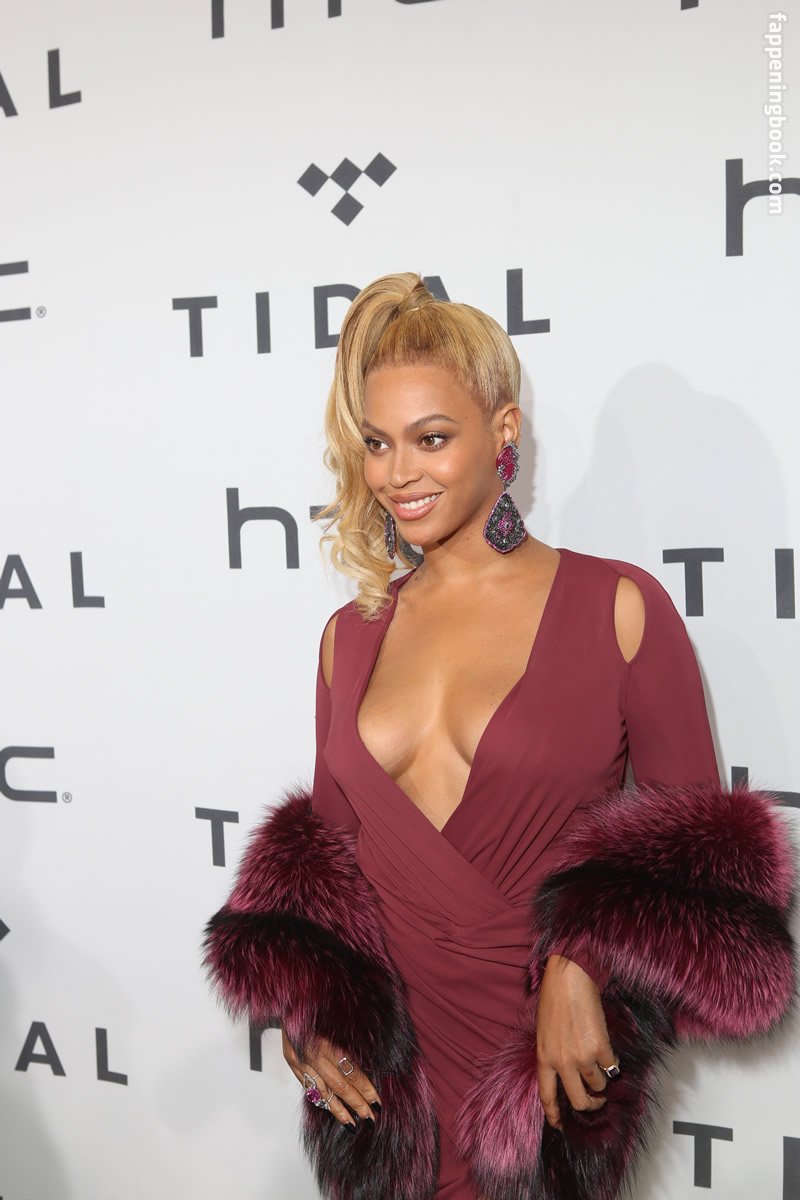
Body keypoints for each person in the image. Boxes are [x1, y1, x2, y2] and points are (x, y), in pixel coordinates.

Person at [202, 273, 796, 1200]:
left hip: (538, 1079)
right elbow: (328, 867)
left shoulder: (617, 608)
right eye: (377, 444)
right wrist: (309, 1002)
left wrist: (580, 959)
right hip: (384, 1092)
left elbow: (706, 870)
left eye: (432, 438)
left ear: (503, 431)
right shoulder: (347, 638)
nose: (399, 474)